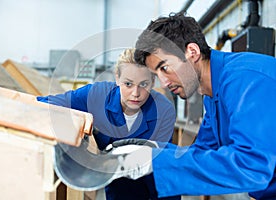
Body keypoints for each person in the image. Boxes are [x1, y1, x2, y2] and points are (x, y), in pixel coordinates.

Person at [112, 12, 276, 199]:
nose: (164, 83)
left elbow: (252, 167)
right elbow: (202, 151)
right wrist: (146, 152)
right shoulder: (213, 94)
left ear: (192, 52)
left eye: (165, 68)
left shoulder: (246, 79)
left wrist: (155, 162)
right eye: (157, 75)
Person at [37, 48, 179, 200]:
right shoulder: (97, 95)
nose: (135, 93)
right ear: (117, 78)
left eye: (143, 84)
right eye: (128, 84)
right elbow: (49, 104)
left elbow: (164, 166)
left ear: (152, 82)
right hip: (119, 185)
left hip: (159, 185)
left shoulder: (163, 110)